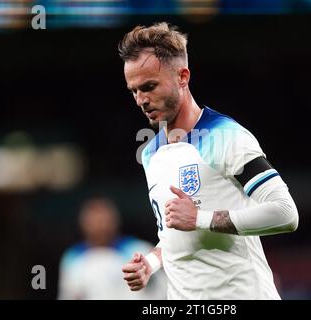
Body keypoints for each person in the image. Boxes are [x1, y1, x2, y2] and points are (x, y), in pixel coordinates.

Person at [118, 22, 299, 300]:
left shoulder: (226, 136)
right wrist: (151, 264)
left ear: (182, 76)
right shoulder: (150, 154)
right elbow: (173, 233)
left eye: (150, 86)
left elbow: (286, 213)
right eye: (134, 91)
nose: (141, 100)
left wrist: (201, 218)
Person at [57, 197, 167, 300]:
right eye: (94, 221)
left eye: (104, 220)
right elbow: (69, 295)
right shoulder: (72, 257)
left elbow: (162, 288)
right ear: (83, 224)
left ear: (115, 221)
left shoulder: (139, 249)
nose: (100, 226)